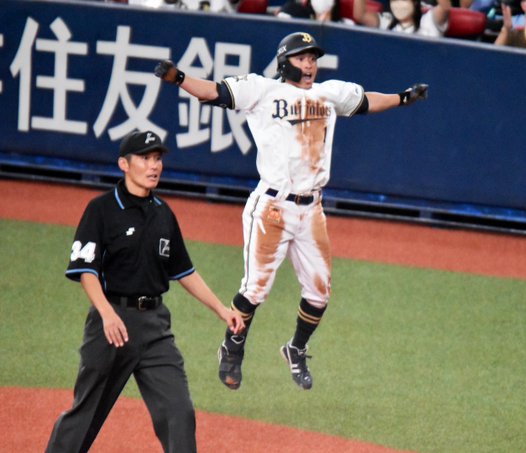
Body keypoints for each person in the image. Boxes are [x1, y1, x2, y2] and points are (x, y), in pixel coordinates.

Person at [154, 32, 428, 390]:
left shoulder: (328, 94)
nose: (310, 64)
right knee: (254, 290)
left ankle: (295, 349)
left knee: (319, 292)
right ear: (285, 62)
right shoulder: (262, 90)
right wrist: (178, 78)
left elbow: (366, 101)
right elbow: (213, 92)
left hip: (311, 209)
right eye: (302, 58)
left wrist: (402, 98)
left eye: (313, 58)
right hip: (272, 207)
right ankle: (232, 346)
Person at [45, 130, 245, 453]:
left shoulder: (163, 214)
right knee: (85, 414)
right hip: (111, 325)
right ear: (124, 164)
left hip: (155, 329)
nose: (154, 166)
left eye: (158, 159)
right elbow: (86, 271)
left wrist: (222, 310)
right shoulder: (101, 209)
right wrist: (107, 314)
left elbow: (184, 271)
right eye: (145, 158)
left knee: (179, 412)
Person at [353, 0, 452, 37]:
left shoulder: (429, 20)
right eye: (394, 1)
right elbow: (360, 15)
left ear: (415, 2)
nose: (398, 5)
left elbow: (445, 7)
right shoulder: (387, 21)